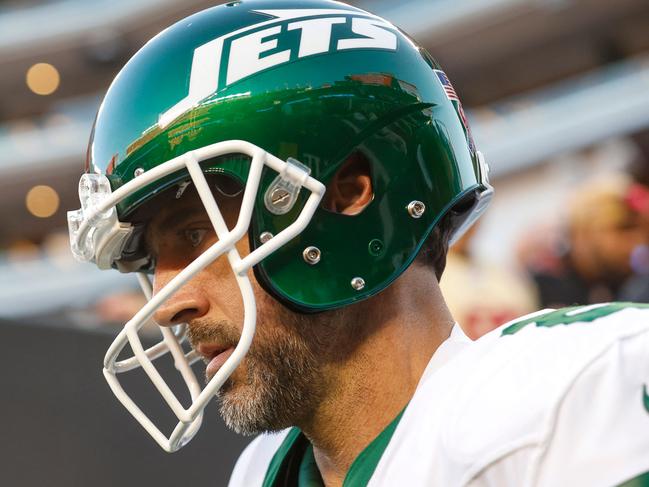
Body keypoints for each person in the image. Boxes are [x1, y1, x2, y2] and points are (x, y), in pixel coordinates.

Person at [67, 1, 649, 485]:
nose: (168, 304)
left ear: (350, 197)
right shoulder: (260, 473)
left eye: (195, 234)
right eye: (152, 262)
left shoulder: (569, 398)